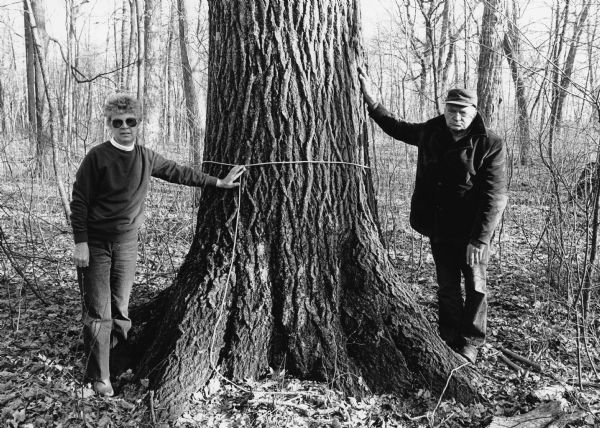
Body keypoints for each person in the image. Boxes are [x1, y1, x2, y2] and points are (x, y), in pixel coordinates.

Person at [70, 93, 246, 396]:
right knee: (99, 312)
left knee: (121, 309)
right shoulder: (96, 157)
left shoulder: (145, 157)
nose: (125, 127)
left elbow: (179, 172)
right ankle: (99, 377)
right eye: (118, 122)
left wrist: (218, 182)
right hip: (96, 245)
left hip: (126, 245)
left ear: (138, 123)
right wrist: (81, 243)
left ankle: (116, 367)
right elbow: (80, 201)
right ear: (109, 125)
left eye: (130, 121)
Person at [357, 67, 507, 363]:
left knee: (476, 287)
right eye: (452, 110)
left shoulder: (489, 143)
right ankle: (449, 338)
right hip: (439, 227)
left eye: (463, 111)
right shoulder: (431, 131)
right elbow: (397, 128)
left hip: (473, 232)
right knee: (448, 287)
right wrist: (373, 103)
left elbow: (495, 196)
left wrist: (479, 239)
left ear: (474, 111)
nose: (456, 116)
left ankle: (471, 343)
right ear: (445, 109)